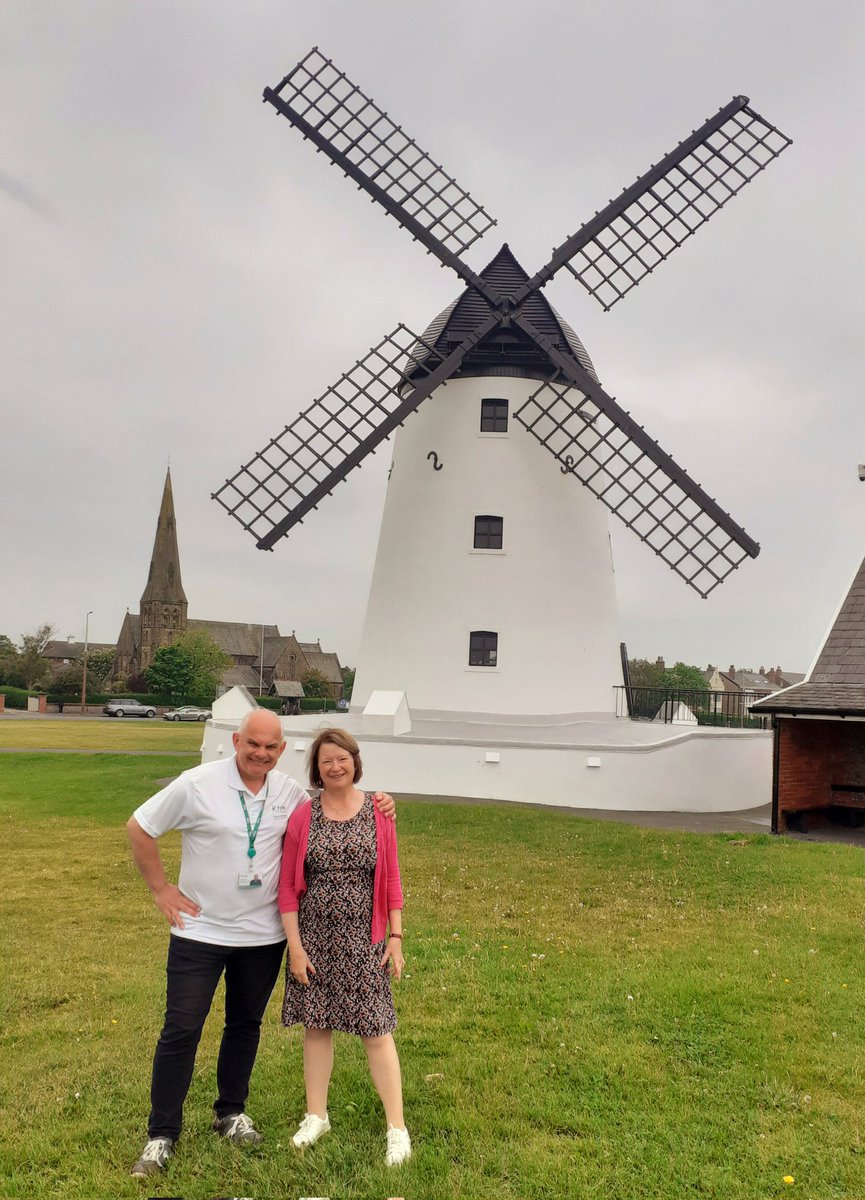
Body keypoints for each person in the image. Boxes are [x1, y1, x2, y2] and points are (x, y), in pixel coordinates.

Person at [126, 709, 394, 1179]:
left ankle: (230, 1112)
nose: (261, 754)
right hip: (201, 933)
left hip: (261, 936)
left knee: (244, 1024)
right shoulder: (197, 783)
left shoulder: (289, 793)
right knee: (182, 1029)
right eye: (253, 744)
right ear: (236, 740)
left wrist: (381, 802)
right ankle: (161, 1135)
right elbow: (140, 826)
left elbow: (338, 804)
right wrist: (162, 890)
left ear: (282, 750)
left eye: (271, 747)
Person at [278, 727, 411, 1168]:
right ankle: (316, 1115)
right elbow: (287, 890)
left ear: (355, 761)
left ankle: (397, 1128)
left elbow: (390, 879)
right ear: (316, 768)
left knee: (376, 1029)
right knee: (317, 1027)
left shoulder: (379, 810)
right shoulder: (303, 816)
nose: (335, 767)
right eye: (326, 761)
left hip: (364, 939)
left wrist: (395, 937)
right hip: (314, 938)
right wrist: (295, 949)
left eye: (343, 758)